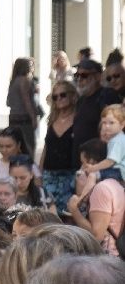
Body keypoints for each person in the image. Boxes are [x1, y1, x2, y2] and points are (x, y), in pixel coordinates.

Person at [70, 139, 124, 252]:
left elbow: (97, 236)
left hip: (107, 255)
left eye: (83, 164)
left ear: (93, 163)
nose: (81, 170)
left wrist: (74, 210)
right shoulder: (115, 183)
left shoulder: (101, 189)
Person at [41, 79, 80, 213]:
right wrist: (39, 172)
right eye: (55, 96)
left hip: (69, 174)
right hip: (49, 174)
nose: (59, 99)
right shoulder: (52, 120)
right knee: (48, 212)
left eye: (63, 95)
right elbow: (46, 147)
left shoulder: (78, 119)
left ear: (72, 96)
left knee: (66, 213)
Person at [72, 56, 123, 145]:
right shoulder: (81, 100)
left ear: (98, 77)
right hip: (79, 152)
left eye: (84, 75)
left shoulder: (107, 96)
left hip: (99, 151)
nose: (79, 79)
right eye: (77, 75)